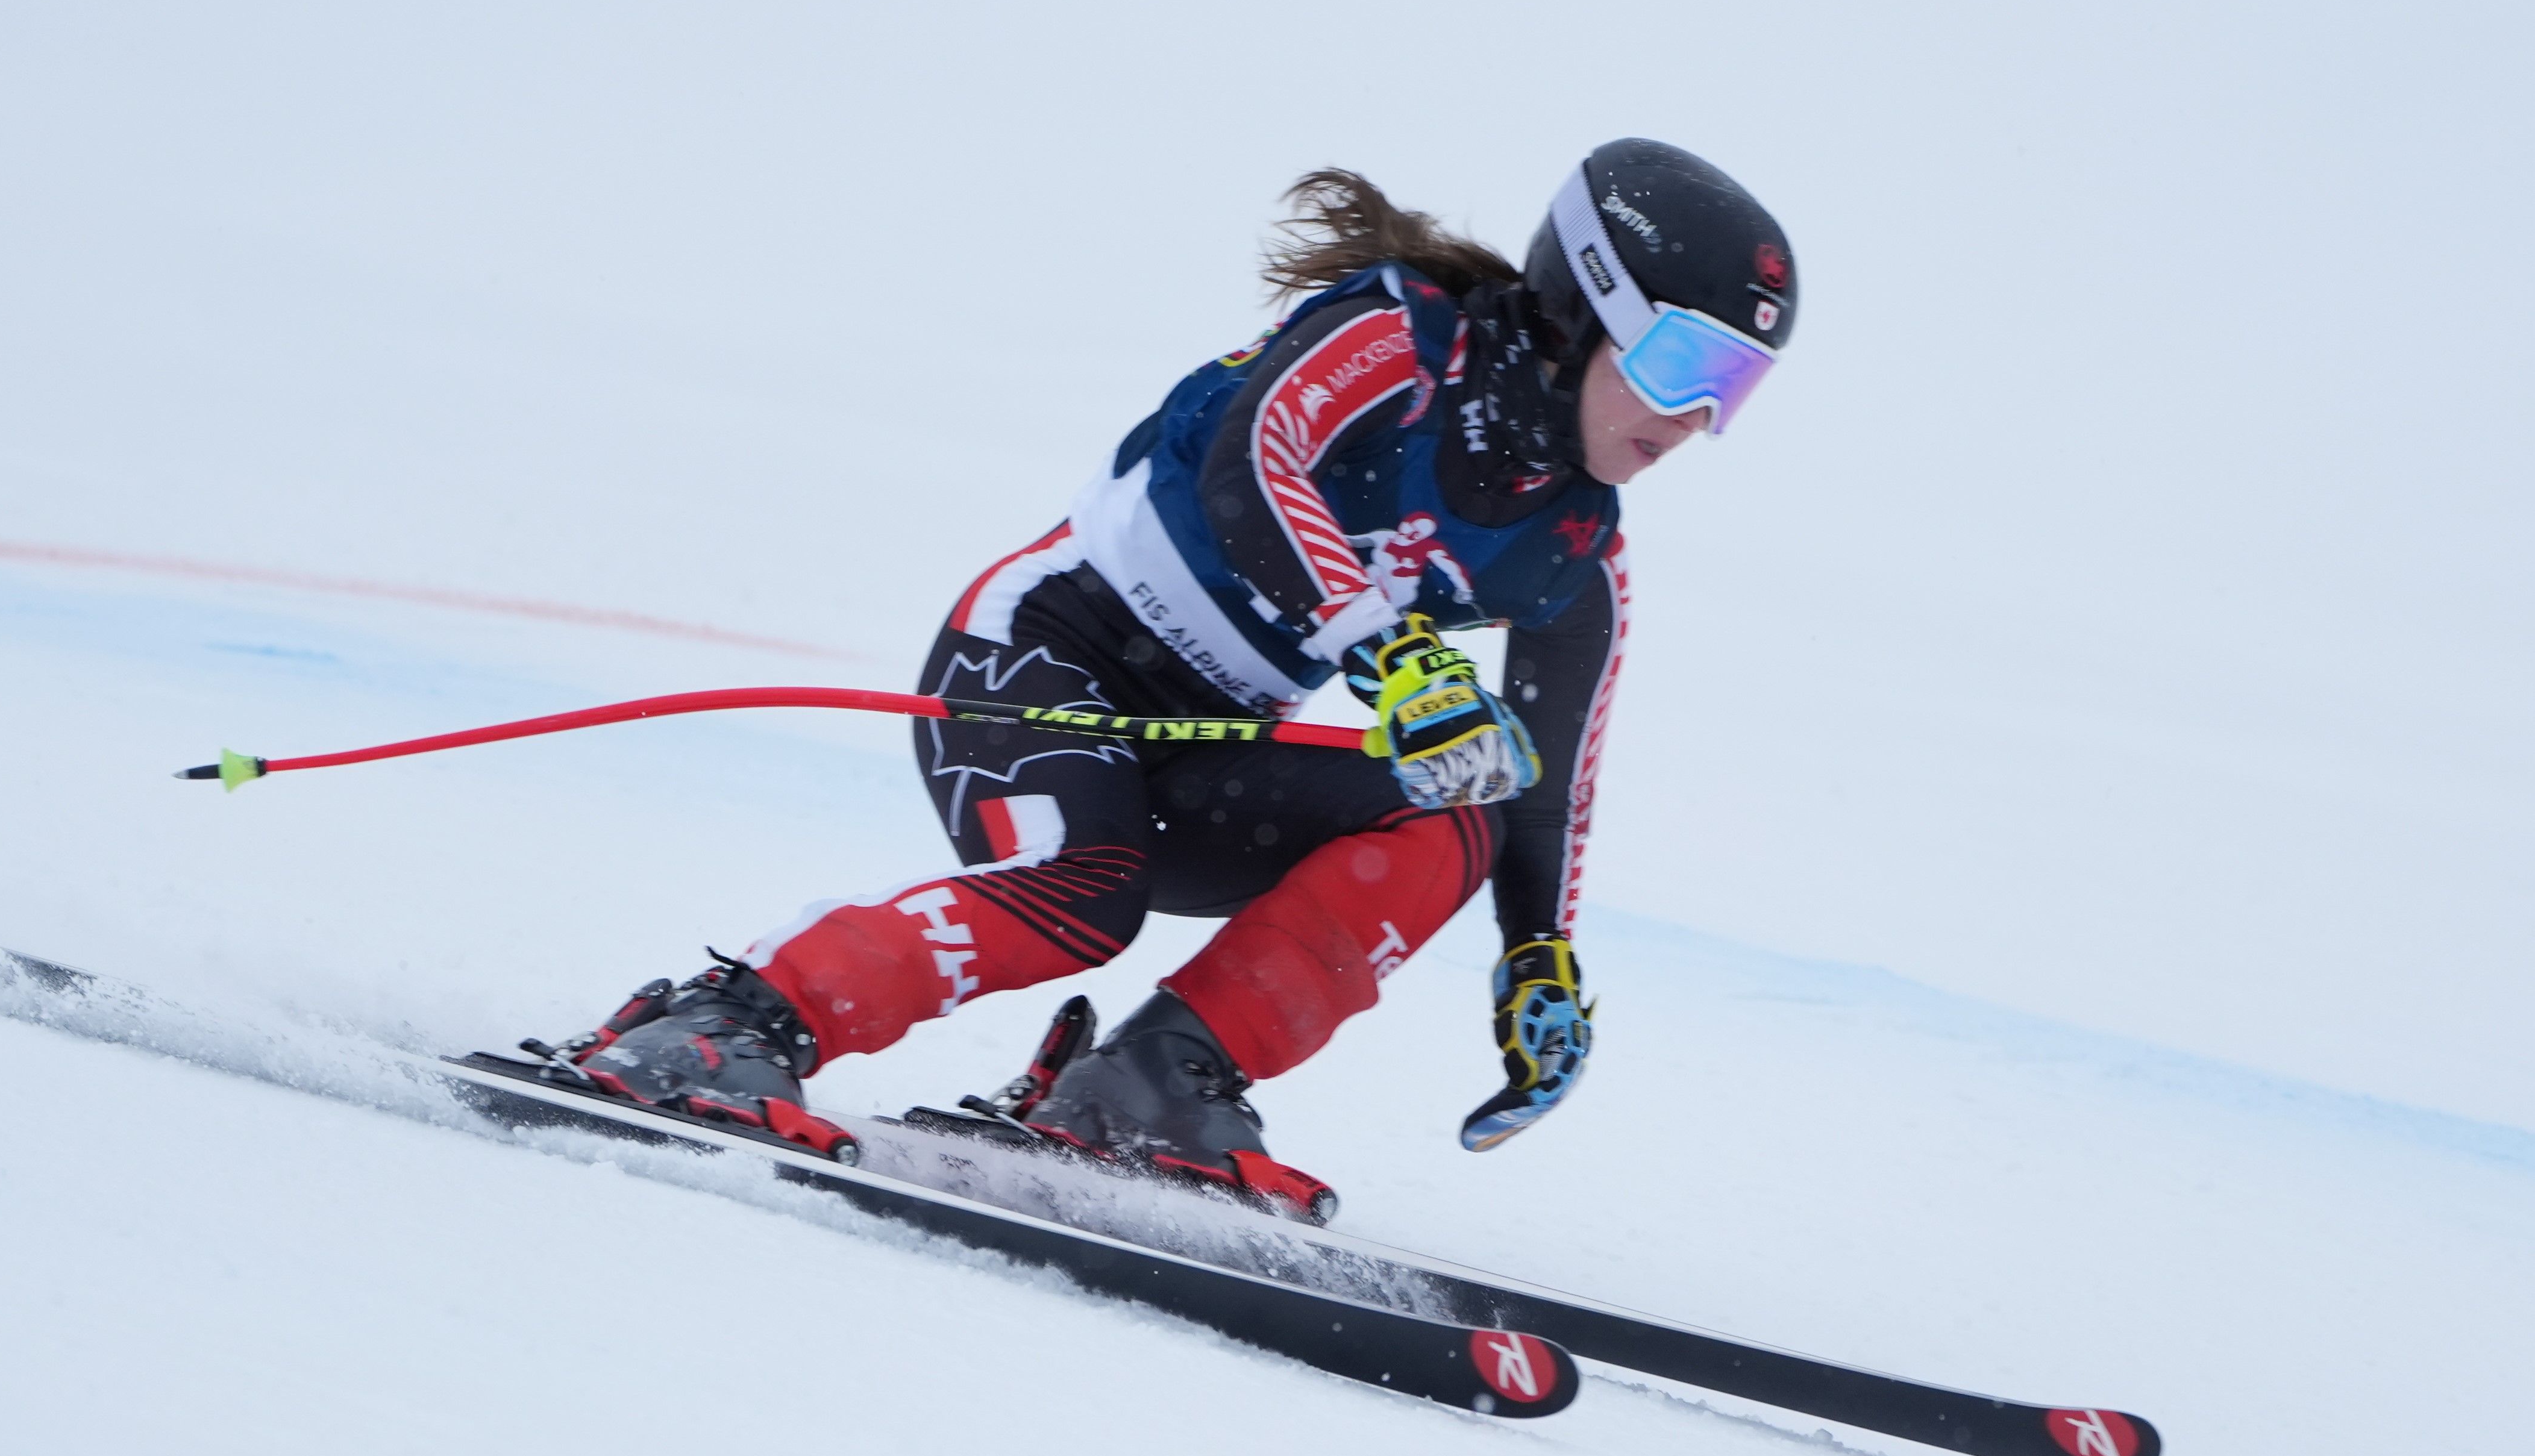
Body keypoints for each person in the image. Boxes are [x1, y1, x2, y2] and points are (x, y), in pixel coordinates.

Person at [534, 139, 1797, 1215]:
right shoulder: (1399, 340)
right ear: (1582, 305)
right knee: (1081, 892)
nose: (1695, 420)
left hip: (1197, 750)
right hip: (1043, 657)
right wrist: (1389, 645)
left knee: (1460, 800)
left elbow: (1544, 779)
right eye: (1685, 364)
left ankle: (1146, 1085)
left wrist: (1540, 957)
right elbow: (1258, 461)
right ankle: (726, 1024)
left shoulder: (1578, 551)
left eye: (1733, 390)